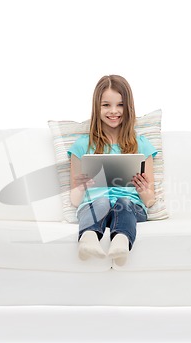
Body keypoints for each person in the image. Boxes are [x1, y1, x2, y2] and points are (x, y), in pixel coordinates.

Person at [68, 75, 157, 266]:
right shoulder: (82, 146)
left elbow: (150, 201)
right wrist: (81, 187)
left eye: (120, 105)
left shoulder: (141, 145)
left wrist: (143, 190)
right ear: (97, 107)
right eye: (106, 105)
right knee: (101, 201)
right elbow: (75, 201)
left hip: (131, 208)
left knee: (123, 202)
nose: (114, 111)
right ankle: (88, 240)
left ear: (128, 108)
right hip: (93, 206)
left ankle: (121, 242)